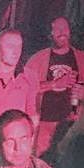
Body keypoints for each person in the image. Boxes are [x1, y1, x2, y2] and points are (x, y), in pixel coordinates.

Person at [25, 16, 84, 158]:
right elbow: (24, 88)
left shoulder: (81, 58)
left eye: (65, 28)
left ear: (70, 31)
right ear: (50, 33)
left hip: (72, 125)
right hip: (44, 124)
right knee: (42, 162)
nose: (61, 32)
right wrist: (54, 84)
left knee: (67, 162)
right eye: (57, 29)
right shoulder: (37, 59)